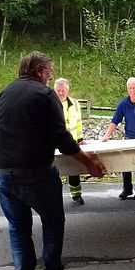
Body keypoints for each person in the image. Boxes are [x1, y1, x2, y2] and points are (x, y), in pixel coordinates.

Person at [0, 51, 106, 270]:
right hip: (35, 172)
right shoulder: (45, 95)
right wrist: (89, 163)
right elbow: (62, 138)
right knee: (53, 222)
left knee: (18, 229)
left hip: (2, 172)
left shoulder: (5, 92)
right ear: (40, 71)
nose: (51, 76)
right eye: (49, 71)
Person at [53, 77, 86, 205]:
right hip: (53, 143)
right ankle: (55, 197)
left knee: (74, 169)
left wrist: (80, 138)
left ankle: (76, 194)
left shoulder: (75, 103)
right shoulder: (50, 103)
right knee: (55, 171)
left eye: (63, 90)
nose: (61, 93)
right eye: (58, 90)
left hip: (70, 143)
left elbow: (78, 123)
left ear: (68, 90)